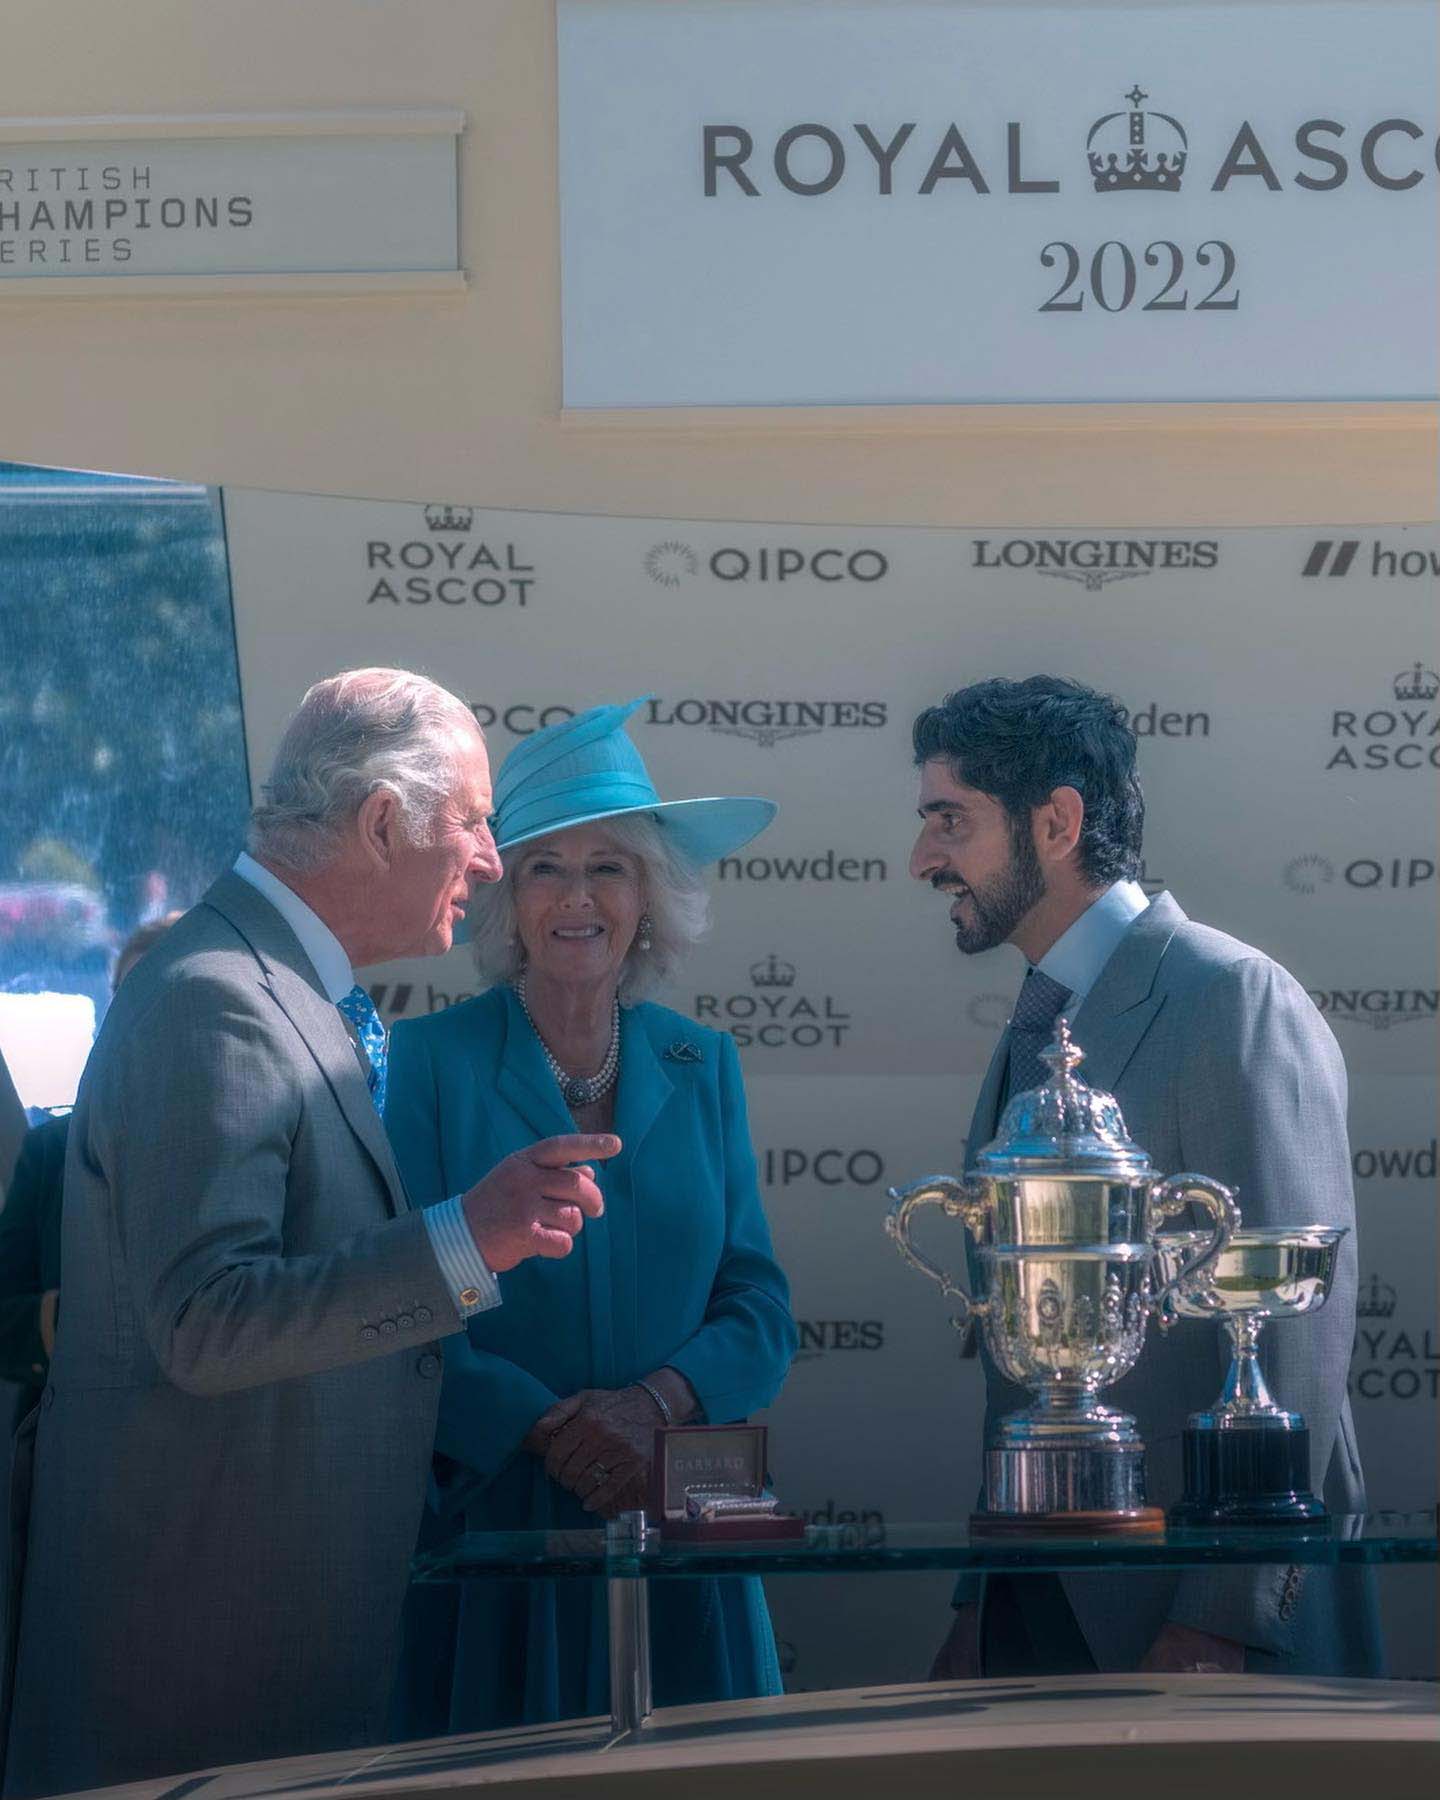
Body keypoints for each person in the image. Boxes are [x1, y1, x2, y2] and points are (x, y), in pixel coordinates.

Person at [1, 669, 619, 1796]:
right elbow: (206, 1322)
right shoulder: (216, 999)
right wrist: (462, 1240)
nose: (491, 861)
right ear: (385, 823)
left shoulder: (272, 985)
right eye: (475, 823)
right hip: (197, 1681)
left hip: (254, 1650)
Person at [911, 676, 1377, 1681]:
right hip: (1039, 1597)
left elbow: (1294, 1341)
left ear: (1057, 822)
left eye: (951, 819)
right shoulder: (1041, 1024)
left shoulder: (1229, 997)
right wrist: (984, 1598)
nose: (924, 858)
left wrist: (1226, 1616)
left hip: (1195, 1629)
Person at [386, 698, 797, 1733]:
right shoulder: (429, 1066)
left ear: (648, 896)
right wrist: (546, 1428)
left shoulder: (703, 1063)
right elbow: (397, 1300)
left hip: (685, 1507)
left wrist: (654, 1404)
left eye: (607, 866)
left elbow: (757, 1305)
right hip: (501, 1513)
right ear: (504, 899)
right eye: (545, 868)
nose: (579, 897)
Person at [0, 915, 180, 1429]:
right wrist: (63, 1322)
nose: (136, 1013)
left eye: (161, 992)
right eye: (124, 992)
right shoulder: (51, 1151)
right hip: (70, 1444)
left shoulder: (254, 1143)